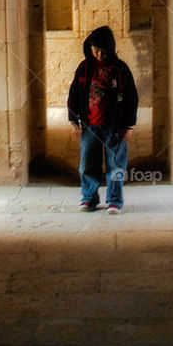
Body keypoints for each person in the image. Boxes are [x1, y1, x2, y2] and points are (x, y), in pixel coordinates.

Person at [68, 25, 138, 214]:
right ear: (90, 49)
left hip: (114, 127)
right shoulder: (84, 69)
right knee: (87, 165)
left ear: (111, 50)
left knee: (115, 165)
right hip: (90, 127)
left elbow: (132, 97)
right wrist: (74, 120)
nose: (99, 55)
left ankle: (114, 201)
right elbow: (74, 94)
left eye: (103, 52)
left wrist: (129, 125)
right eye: (96, 51)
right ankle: (88, 199)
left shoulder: (120, 69)